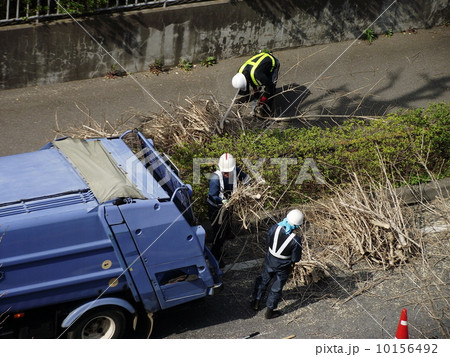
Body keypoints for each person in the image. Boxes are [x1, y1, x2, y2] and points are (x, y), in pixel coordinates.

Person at [250, 209, 304, 319]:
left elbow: (267, 241)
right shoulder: (296, 240)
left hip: (270, 259)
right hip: (283, 265)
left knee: (263, 280)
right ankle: (269, 312)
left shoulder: (275, 227)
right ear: (297, 226)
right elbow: (295, 258)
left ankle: (256, 302)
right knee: (276, 287)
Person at [207, 153, 250, 267]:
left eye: (228, 172)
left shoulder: (235, 170)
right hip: (216, 209)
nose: (226, 174)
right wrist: (222, 202)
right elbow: (212, 195)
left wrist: (247, 187)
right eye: (224, 172)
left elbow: (246, 179)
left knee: (227, 231)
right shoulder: (215, 178)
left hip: (229, 207)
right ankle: (215, 255)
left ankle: (219, 248)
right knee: (219, 233)